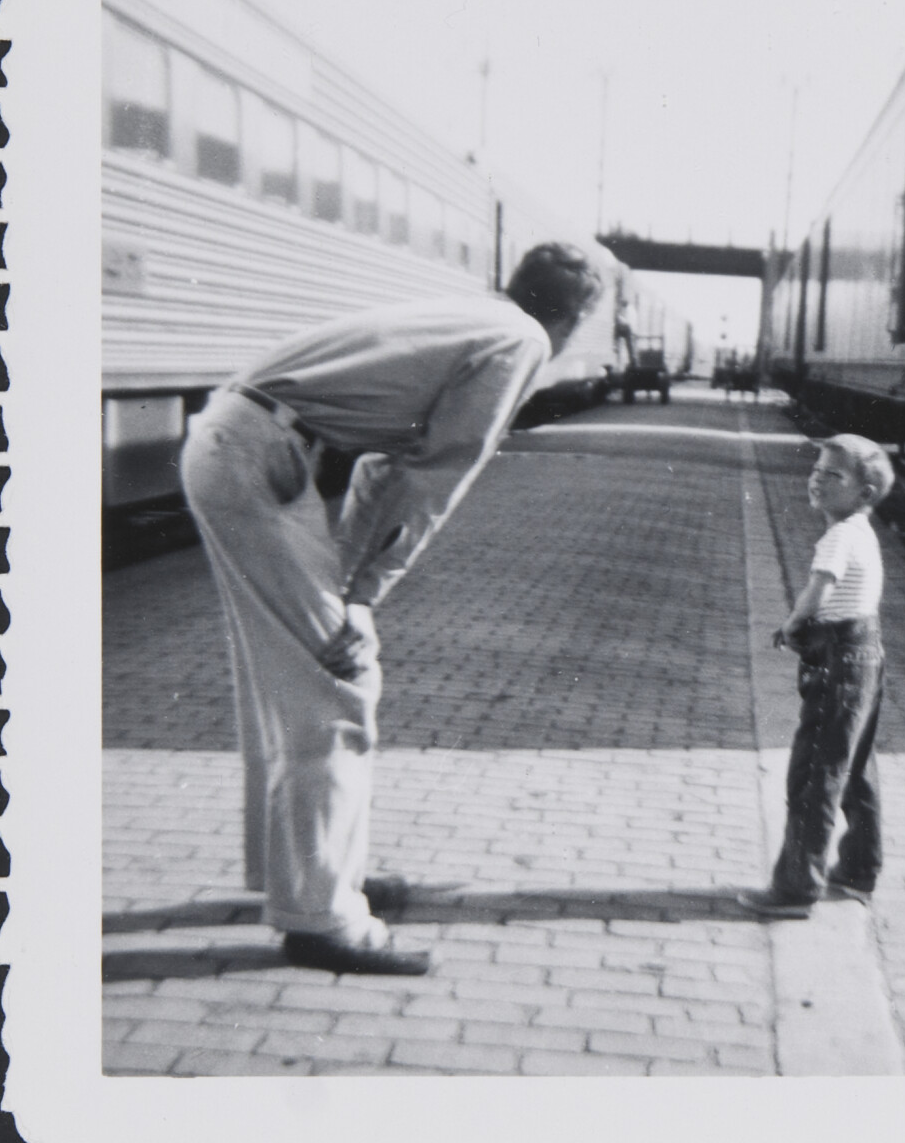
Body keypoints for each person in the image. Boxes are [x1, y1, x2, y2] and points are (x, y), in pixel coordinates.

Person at [181, 244, 603, 973]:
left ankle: (310, 876)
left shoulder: (472, 314)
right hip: (261, 456)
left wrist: (351, 581)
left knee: (288, 685)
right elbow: (436, 471)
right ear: (572, 317)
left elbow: (385, 461)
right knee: (336, 687)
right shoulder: (521, 339)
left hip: (238, 441)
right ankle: (321, 917)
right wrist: (361, 598)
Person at [739, 434, 895, 919]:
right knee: (855, 771)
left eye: (833, 475)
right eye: (817, 470)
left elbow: (819, 590)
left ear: (864, 494)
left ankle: (795, 888)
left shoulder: (839, 535)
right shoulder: (862, 532)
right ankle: (857, 871)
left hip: (839, 660)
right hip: (866, 655)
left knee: (814, 775)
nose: (817, 479)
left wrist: (791, 624)